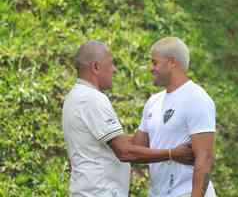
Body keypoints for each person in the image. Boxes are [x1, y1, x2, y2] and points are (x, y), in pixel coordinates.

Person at [62, 41, 194, 197]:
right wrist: (172, 153)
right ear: (96, 67)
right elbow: (124, 152)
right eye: (110, 64)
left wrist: (159, 136)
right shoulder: (91, 99)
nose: (114, 70)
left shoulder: (75, 96)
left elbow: (117, 141)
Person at [132, 37, 217, 197]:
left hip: (185, 192)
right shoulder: (153, 102)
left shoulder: (197, 98)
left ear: (172, 62)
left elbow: (205, 157)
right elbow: (136, 149)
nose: (151, 68)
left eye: (155, 62)